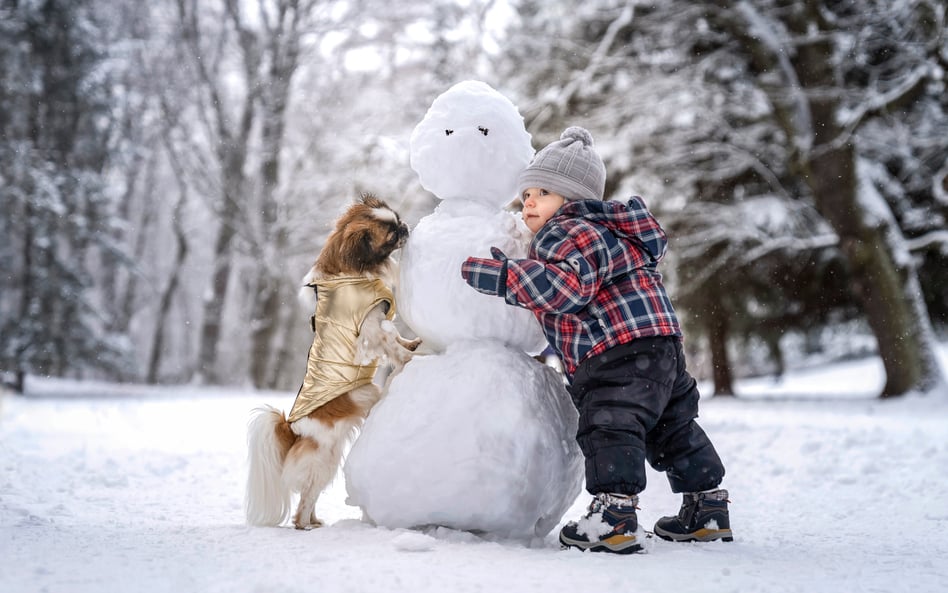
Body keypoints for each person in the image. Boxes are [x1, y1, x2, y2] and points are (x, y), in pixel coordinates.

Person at [460, 126, 731, 554]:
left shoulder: (569, 231)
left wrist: (506, 275)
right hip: (662, 349)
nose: (529, 201)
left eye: (542, 192)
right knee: (671, 425)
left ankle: (614, 515)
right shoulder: (615, 233)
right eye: (527, 192)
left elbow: (568, 289)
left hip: (615, 351)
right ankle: (707, 507)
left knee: (610, 424)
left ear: (572, 200)